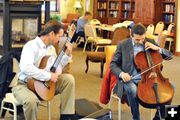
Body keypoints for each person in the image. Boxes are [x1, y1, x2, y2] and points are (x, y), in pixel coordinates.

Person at [12, 20, 76, 120]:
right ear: (51, 34)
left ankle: (67, 117)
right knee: (31, 101)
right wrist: (49, 76)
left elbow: (56, 68)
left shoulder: (51, 48)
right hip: (24, 85)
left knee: (68, 79)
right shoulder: (31, 46)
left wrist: (67, 55)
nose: (59, 40)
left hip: (45, 85)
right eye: (59, 36)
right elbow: (26, 67)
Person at [110, 23, 173, 120]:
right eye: (137, 39)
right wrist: (122, 74)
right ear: (131, 35)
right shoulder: (122, 44)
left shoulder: (150, 42)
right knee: (133, 90)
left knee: (171, 87)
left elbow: (170, 56)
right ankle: (136, 117)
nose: (141, 42)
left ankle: (157, 117)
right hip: (130, 79)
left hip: (150, 78)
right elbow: (113, 64)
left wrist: (158, 49)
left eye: (143, 39)